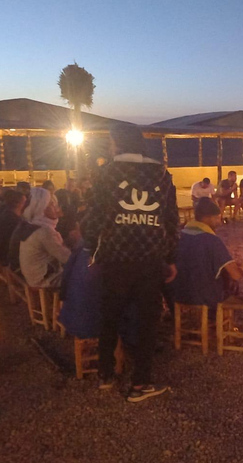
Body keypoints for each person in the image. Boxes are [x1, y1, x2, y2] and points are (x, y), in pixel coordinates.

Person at [82, 124, 179, 403]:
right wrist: (170, 258)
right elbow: (171, 221)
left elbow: (94, 218)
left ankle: (105, 375)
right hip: (149, 260)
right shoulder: (162, 175)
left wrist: (91, 249)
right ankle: (140, 383)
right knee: (148, 322)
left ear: (118, 143)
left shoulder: (106, 174)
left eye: (112, 142)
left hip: (114, 258)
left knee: (109, 316)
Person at [165, 199, 243, 310]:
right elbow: (236, 275)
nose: (219, 223)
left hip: (177, 296)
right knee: (231, 282)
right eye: (217, 218)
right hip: (205, 299)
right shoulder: (212, 240)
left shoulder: (178, 236)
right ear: (209, 218)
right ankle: (216, 320)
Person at [15, 187, 71, 288]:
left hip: (33, 276)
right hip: (44, 280)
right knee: (86, 276)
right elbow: (67, 258)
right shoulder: (44, 231)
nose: (55, 206)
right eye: (50, 203)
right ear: (42, 208)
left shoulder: (31, 225)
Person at [0, 189, 26, 266]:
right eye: (24, 203)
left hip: (0, 256)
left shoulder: (3, 213)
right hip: (7, 260)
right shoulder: (14, 220)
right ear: (19, 204)